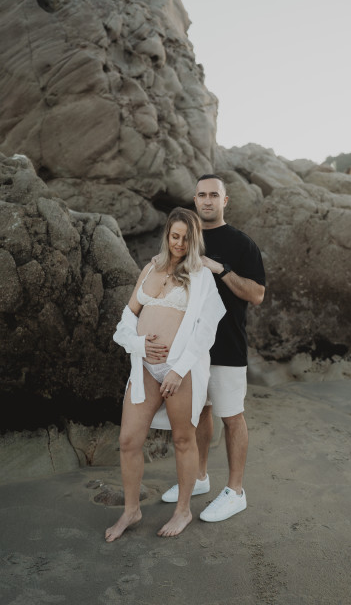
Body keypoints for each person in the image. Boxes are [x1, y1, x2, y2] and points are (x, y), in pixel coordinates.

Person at [106, 207, 226, 541]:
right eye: (175, 236)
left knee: (183, 440)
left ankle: (183, 511)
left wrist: (178, 370)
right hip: (144, 365)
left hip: (180, 370)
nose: (179, 244)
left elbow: (206, 330)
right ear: (167, 235)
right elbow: (128, 316)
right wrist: (138, 344)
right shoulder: (150, 268)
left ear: (194, 240)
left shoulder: (201, 276)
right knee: (128, 440)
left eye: (186, 239)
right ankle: (131, 511)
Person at [161, 175, 266, 522]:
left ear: (225, 200)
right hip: (189, 348)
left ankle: (235, 492)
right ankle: (199, 478)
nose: (207, 200)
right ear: (195, 200)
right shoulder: (185, 239)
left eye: (213, 195)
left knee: (232, 416)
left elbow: (257, 294)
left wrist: (220, 269)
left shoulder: (242, 244)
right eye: (202, 195)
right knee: (200, 413)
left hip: (227, 346)